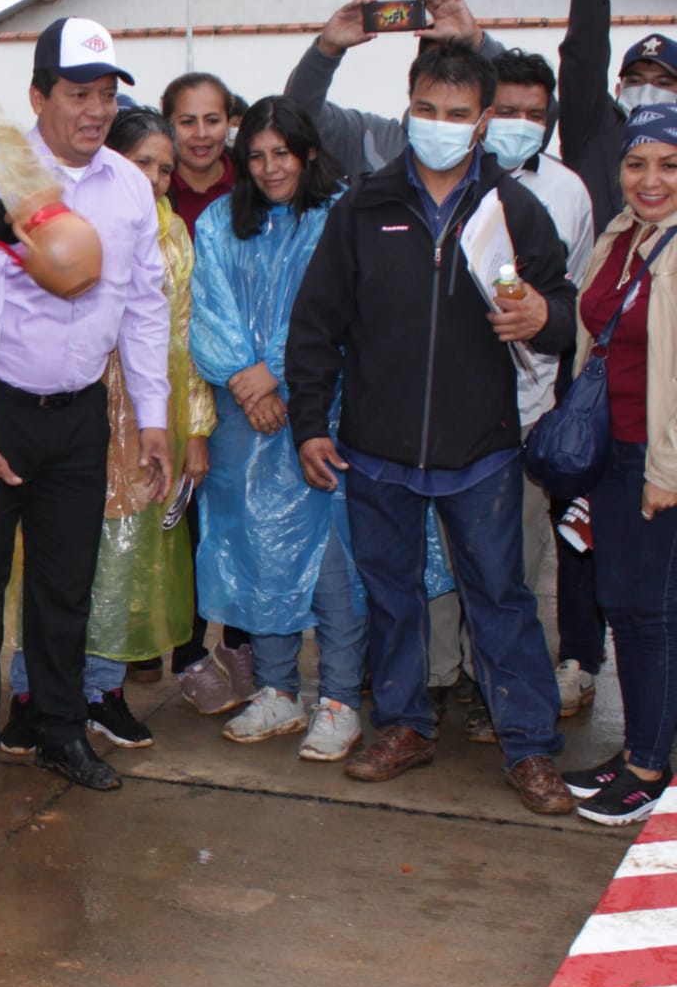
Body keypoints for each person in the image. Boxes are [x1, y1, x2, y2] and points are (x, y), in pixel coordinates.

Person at [286, 43, 578, 812]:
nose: (439, 126)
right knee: (392, 593)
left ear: (482, 122)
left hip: (480, 448)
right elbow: (316, 323)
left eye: (456, 114)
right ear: (408, 106)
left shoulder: (515, 210)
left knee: (499, 598)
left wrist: (545, 316)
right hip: (377, 447)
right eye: (426, 110)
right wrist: (311, 422)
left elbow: (569, 310)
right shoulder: (364, 205)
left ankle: (530, 746)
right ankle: (407, 725)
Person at [0, 16, 170, 808]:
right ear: (39, 96)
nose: (96, 110)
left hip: (80, 416)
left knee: (67, 583)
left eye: (107, 95)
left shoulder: (129, 186)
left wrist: (155, 414)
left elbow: (144, 306)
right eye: (79, 94)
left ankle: (59, 728)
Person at [2, 107, 212, 749]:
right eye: (142, 162)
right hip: (79, 407)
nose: (152, 177)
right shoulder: (65, 223)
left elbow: (183, 335)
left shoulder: (175, 237)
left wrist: (191, 426)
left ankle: (103, 689)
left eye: (165, 169)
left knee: (126, 563)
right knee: (52, 563)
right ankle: (31, 692)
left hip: (148, 418)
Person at [191, 97, 364, 761]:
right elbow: (207, 307)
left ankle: (341, 696)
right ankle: (276, 690)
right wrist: (244, 376)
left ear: (309, 153)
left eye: (282, 153)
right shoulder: (218, 223)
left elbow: (336, 306)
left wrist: (276, 372)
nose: (269, 168)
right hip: (245, 418)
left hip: (318, 408)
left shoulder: (339, 217)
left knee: (329, 560)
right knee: (257, 555)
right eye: (257, 155)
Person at [454, 49, 599, 736]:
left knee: (511, 570)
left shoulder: (569, 192)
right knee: (450, 568)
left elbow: (578, 310)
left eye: (533, 114)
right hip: (452, 416)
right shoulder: (448, 181)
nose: (518, 123)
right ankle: (451, 679)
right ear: (482, 116)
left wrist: (544, 319)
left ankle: (508, 700)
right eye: (505, 110)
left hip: (530, 412)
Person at [559, 104, 677, 824]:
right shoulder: (621, 237)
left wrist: (666, 469)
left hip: (655, 460)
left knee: (651, 613)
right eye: (637, 163)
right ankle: (638, 745)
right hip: (612, 451)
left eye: (668, 164)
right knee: (625, 610)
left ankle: (648, 767)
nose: (650, 178)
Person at [160, 69, 254, 701]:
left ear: (230, 124)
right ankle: (186, 650)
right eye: (187, 121)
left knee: (244, 516)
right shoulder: (149, 192)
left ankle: (241, 641)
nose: (200, 135)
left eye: (212, 120)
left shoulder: (252, 189)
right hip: (167, 385)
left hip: (241, 383)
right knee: (181, 520)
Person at [284, 0, 506, 184]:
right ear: (412, 88)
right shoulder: (371, 139)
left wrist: (477, 41)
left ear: (484, 117)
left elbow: (525, 97)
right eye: (427, 109)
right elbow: (298, 116)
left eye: (457, 114)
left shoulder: (500, 151)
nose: (445, 83)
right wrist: (327, 50)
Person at [560, 0, 677, 234]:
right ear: (618, 86)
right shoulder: (593, 129)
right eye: (636, 80)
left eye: (663, 82)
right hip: (600, 282)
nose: (647, 90)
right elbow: (585, 47)